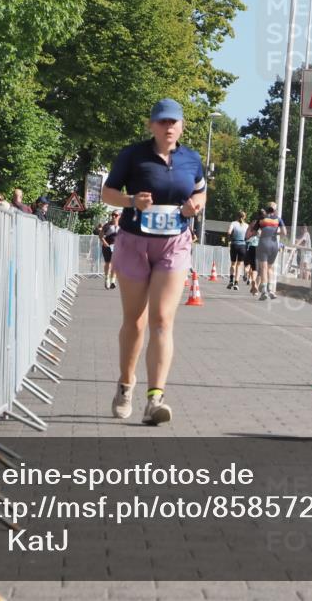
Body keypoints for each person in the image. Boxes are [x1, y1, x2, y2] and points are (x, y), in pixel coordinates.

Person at [101, 98, 206, 426]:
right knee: (135, 321)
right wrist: (131, 200)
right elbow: (108, 193)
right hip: (134, 242)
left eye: (174, 122)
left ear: (182, 126)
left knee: (162, 320)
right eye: (162, 122)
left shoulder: (191, 159)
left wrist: (195, 206)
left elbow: (201, 192)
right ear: (151, 126)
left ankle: (155, 399)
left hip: (174, 244)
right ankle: (126, 384)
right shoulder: (133, 155)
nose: (169, 127)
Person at [248, 202, 287, 300]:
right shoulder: (278, 219)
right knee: (270, 268)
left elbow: (254, 232)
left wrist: (260, 232)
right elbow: (284, 233)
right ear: (275, 210)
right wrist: (275, 233)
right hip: (274, 245)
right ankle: (271, 289)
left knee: (264, 268)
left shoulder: (261, 220)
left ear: (267, 209)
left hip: (264, 243)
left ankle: (264, 290)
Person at [227, 211, 248, 290]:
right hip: (242, 245)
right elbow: (248, 236)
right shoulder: (246, 225)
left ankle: (231, 281)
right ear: (244, 217)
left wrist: (229, 240)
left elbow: (229, 232)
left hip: (234, 244)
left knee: (233, 264)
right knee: (239, 265)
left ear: (237, 216)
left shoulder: (233, 223)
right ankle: (236, 283)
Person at [100, 210, 120, 289]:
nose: (113, 216)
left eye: (115, 215)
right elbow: (101, 236)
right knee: (108, 263)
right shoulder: (107, 225)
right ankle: (107, 279)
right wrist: (105, 243)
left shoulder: (122, 226)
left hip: (117, 247)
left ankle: (113, 281)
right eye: (112, 215)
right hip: (107, 246)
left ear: (119, 216)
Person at [246, 209, 264, 294]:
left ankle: (253, 283)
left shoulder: (254, 223)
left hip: (252, 247)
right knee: (261, 270)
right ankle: (256, 285)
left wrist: (248, 238)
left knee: (254, 268)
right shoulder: (267, 223)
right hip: (262, 248)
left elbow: (248, 235)